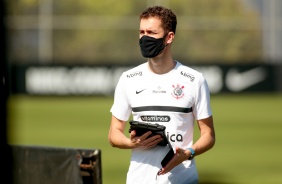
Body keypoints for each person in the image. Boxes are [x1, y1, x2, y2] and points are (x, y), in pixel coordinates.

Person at [108, 5, 215, 184]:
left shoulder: (194, 80)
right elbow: (113, 133)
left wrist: (189, 153)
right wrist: (131, 143)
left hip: (183, 180)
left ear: (169, 37)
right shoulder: (128, 79)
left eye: (151, 32)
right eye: (141, 32)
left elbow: (209, 134)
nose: (144, 38)